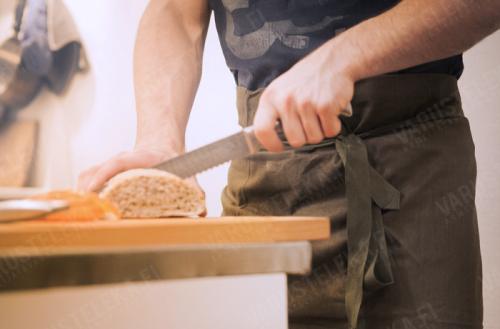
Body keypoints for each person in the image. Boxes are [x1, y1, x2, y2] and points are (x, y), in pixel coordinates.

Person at [78, 1, 500, 328]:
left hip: (412, 173)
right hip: (269, 185)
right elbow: (174, 11)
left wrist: (343, 58)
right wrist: (159, 138)